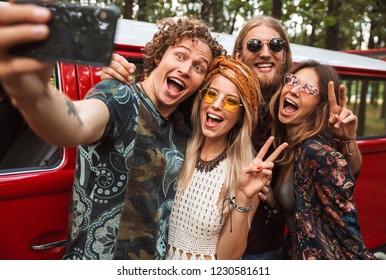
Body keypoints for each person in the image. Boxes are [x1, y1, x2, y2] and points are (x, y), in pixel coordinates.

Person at [100, 15, 364, 260]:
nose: (265, 52)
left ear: (284, 57)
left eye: (275, 45)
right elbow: (156, 102)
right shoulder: (203, 101)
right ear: (238, 54)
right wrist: (115, 80)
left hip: (263, 251)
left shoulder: (289, 115)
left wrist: (346, 140)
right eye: (253, 44)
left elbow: (342, 175)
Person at [0, 3, 224, 259]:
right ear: (159, 56)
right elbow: (73, 124)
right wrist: (34, 92)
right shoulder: (118, 97)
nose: (185, 69)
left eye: (199, 67)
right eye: (180, 55)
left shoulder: (183, 127)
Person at [164, 55, 287, 260]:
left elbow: (227, 259)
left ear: (241, 116)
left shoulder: (247, 173)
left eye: (230, 101)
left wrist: (243, 197)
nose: (216, 105)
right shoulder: (176, 149)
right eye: (211, 94)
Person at [267, 59, 376, 259]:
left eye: (308, 88)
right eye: (292, 80)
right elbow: (298, 217)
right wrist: (271, 199)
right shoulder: (289, 148)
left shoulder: (317, 153)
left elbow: (349, 237)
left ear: (320, 104)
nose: (293, 90)